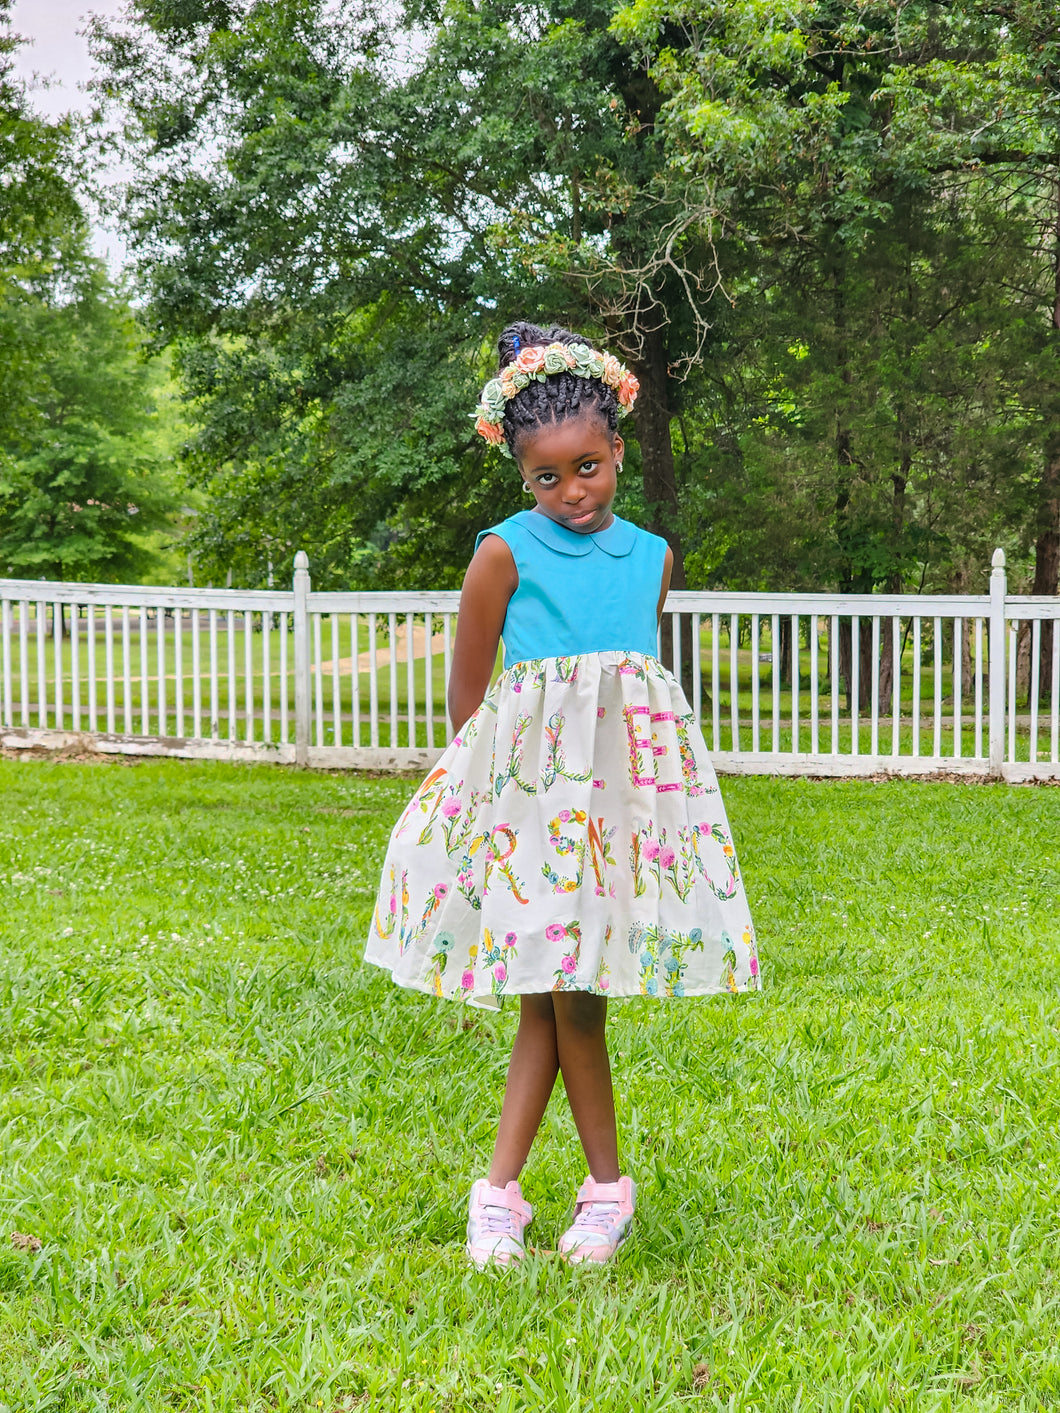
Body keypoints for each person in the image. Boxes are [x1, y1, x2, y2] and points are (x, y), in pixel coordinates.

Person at [365, 320, 759, 1267]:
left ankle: (543, 1192)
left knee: (565, 993)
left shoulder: (654, 554)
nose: (572, 492)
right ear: (520, 474)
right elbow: (472, 695)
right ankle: (549, 1190)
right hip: (528, 810)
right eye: (548, 477)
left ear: (616, 447)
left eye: (587, 467)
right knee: (553, 992)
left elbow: (631, 690)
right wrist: (476, 805)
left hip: (618, 814)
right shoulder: (504, 552)